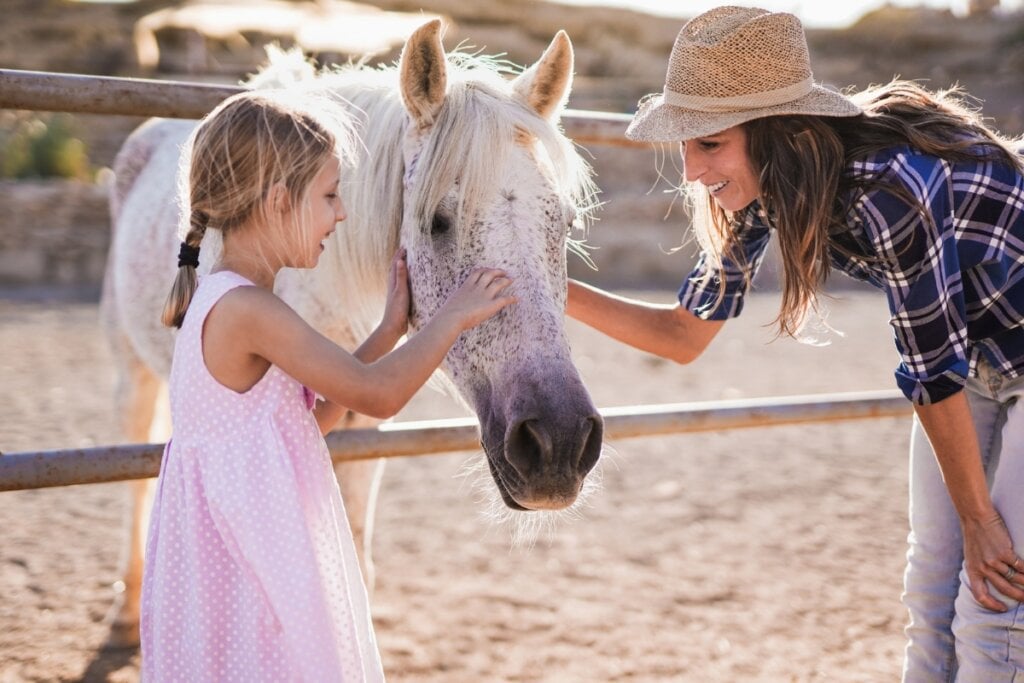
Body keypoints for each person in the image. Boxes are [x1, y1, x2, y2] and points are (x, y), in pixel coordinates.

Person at [567, 6, 1024, 681]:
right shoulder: (766, 190)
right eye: (686, 145)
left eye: (710, 143)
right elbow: (683, 334)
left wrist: (981, 520)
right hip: (976, 355)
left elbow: (931, 371)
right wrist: (550, 286)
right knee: (930, 586)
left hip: (981, 357)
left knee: (994, 600)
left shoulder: (888, 188)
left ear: (779, 135)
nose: (690, 170)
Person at [141, 90, 515, 681]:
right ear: (277, 201)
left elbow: (306, 423)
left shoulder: (232, 301)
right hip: (252, 568)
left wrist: (391, 327)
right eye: (330, 195)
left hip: (250, 553)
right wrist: (453, 317)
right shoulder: (248, 312)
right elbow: (377, 395)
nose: (341, 214)